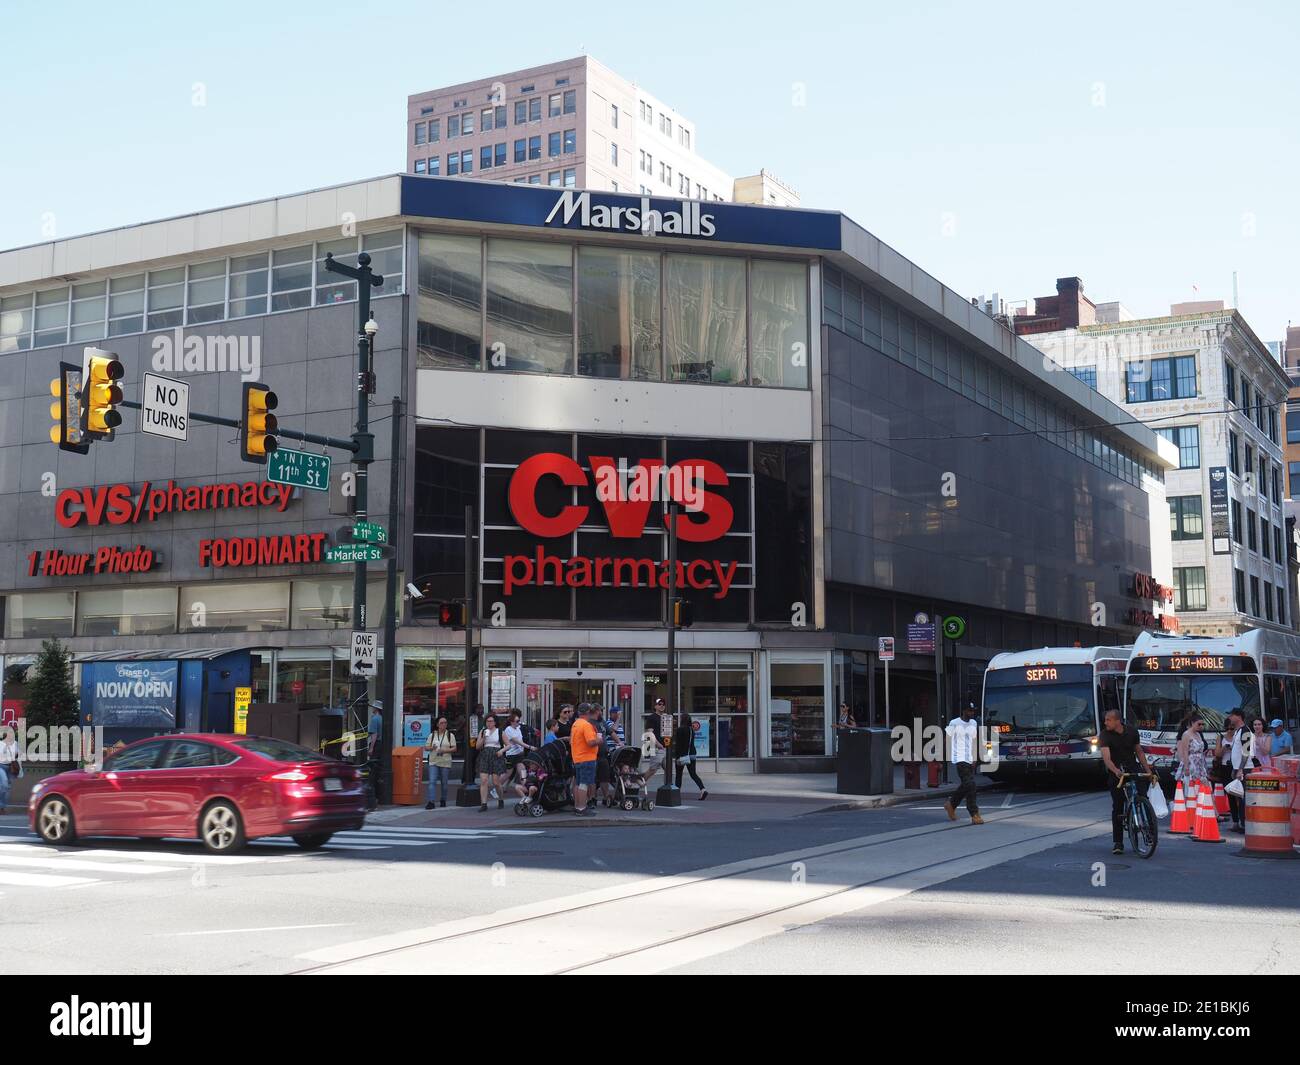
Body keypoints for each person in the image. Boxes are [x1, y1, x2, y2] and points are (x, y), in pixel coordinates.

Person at [1098, 708, 1154, 854]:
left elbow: (1139, 751)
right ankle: (1118, 842)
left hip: (1132, 768)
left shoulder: (1132, 732)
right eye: (1105, 720)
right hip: (1116, 773)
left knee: (1143, 797)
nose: (1105, 723)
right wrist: (1115, 770)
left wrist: (1147, 770)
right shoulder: (1104, 735)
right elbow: (1106, 758)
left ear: (1118, 721)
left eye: (1108, 720)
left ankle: (1150, 832)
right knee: (1118, 806)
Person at [943, 702, 983, 825]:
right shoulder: (954, 723)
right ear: (964, 711)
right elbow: (946, 739)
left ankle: (951, 804)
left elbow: (974, 740)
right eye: (970, 711)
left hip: (970, 758)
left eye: (973, 711)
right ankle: (974, 813)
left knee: (966, 784)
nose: (972, 713)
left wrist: (975, 757)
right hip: (959, 758)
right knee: (971, 785)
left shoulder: (974, 723)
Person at [1213, 710, 1247, 832]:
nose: (1229, 730)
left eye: (1231, 728)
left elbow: (1246, 752)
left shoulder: (1243, 732)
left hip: (1239, 768)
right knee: (1232, 795)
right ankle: (1237, 822)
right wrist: (1224, 748)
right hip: (1227, 768)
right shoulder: (1224, 736)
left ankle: (1244, 822)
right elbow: (1217, 754)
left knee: (1241, 796)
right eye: (1227, 728)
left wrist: (1240, 769)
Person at [570, 703, 602, 817]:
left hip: (577, 757)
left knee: (578, 784)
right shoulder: (586, 725)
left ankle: (578, 807)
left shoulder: (575, 724)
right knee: (584, 784)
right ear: (588, 712)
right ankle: (582, 808)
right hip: (587, 758)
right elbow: (590, 742)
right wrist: (599, 740)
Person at [673, 712, 708, 799]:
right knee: (693, 774)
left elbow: (679, 745)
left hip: (682, 755)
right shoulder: (691, 730)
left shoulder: (680, 730)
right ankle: (703, 789)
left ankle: (677, 793)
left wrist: (677, 756)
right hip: (692, 754)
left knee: (679, 774)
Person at [476, 714, 506, 812]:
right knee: (484, 780)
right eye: (487, 721)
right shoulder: (483, 731)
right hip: (485, 755)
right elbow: (478, 746)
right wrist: (484, 737)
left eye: (491, 721)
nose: (489, 723)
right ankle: (484, 804)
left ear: (495, 722)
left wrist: (502, 751)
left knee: (496, 782)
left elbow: (509, 745)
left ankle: (501, 799)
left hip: (496, 755)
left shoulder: (500, 731)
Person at [424, 717, 456, 809]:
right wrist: (432, 747)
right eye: (441, 723)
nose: (444, 725)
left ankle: (443, 799)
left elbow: (454, 748)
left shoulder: (450, 735)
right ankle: (431, 801)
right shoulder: (432, 735)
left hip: (445, 761)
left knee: (444, 783)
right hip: (433, 761)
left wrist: (444, 750)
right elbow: (426, 747)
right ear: (437, 724)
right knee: (432, 781)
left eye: (445, 723)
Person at [1175, 712, 1208, 786]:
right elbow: (1185, 751)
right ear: (1192, 723)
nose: (1201, 726)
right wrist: (1186, 767)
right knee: (1191, 786)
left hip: (1200, 763)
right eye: (1199, 724)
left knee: (1202, 785)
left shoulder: (1198, 734)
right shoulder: (1186, 734)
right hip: (1191, 763)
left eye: (1203, 724)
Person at [502, 710, 534, 784]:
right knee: (508, 773)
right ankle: (497, 787)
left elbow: (521, 741)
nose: (518, 722)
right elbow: (517, 741)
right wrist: (529, 747)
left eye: (519, 721)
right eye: (517, 721)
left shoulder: (518, 729)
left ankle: (524, 786)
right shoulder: (508, 729)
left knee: (522, 770)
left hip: (519, 754)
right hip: (511, 755)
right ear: (512, 722)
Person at [640, 717, 666, 785]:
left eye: (663, 705)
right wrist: (657, 744)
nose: (662, 706)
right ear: (656, 706)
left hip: (666, 748)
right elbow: (649, 733)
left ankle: (667, 786)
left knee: (668, 769)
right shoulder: (652, 718)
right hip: (657, 748)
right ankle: (639, 783)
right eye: (659, 705)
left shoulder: (666, 717)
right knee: (652, 769)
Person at [0, 727, 17, 815]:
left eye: (12, 733)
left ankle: (2, 807)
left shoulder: (14, 744)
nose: (11, 735)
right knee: (4, 783)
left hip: (10, 767)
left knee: (7, 788)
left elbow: (16, 755)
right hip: (1, 766)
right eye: (9, 733)